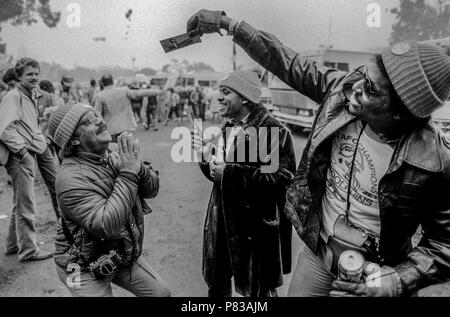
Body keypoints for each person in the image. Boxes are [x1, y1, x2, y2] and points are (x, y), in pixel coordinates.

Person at [187, 9, 450, 297]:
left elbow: (444, 243)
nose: (355, 89)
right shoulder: (340, 90)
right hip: (318, 256)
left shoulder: (435, 159)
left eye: (371, 90)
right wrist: (229, 24)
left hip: (378, 273)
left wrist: (399, 280)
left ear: (402, 112)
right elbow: (286, 60)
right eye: (363, 75)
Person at [48, 103, 171, 297]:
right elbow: (107, 225)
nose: (98, 120)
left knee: (160, 293)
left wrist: (138, 167)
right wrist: (129, 173)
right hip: (81, 266)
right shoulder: (69, 180)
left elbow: (151, 190)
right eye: (86, 122)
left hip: (119, 254)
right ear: (73, 140)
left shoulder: (113, 152)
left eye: (96, 115)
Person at [192, 70, 296, 297]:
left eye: (226, 92)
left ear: (246, 97)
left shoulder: (273, 130)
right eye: (219, 91)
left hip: (253, 232)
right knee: (218, 287)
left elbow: (282, 178)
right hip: (221, 226)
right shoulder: (228, 127)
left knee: (257, 292)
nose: (218, 97)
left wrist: (230, 174)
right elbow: (216, 176)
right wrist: (205, 159)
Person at [0, 58, 58, 261]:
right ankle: (28, 251)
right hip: (18, 155)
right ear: (19, 76)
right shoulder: (13, 97)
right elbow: (5, 130)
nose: (34, 77)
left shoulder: (29, 95)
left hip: (29, 150)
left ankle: (12, 245)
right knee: (26, 204)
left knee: (20, 201)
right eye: (29, 74)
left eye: (36, 74)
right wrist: (23, 153)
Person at [94, 74, 157, 141]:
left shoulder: (100, 96)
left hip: (110, 129)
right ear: (112, 81)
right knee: (125, 148)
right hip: (124, 127)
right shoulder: (124, 90)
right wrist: (156, 92)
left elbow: (97, 114)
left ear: (102, 83)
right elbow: (139, 93)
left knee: (113, 149)